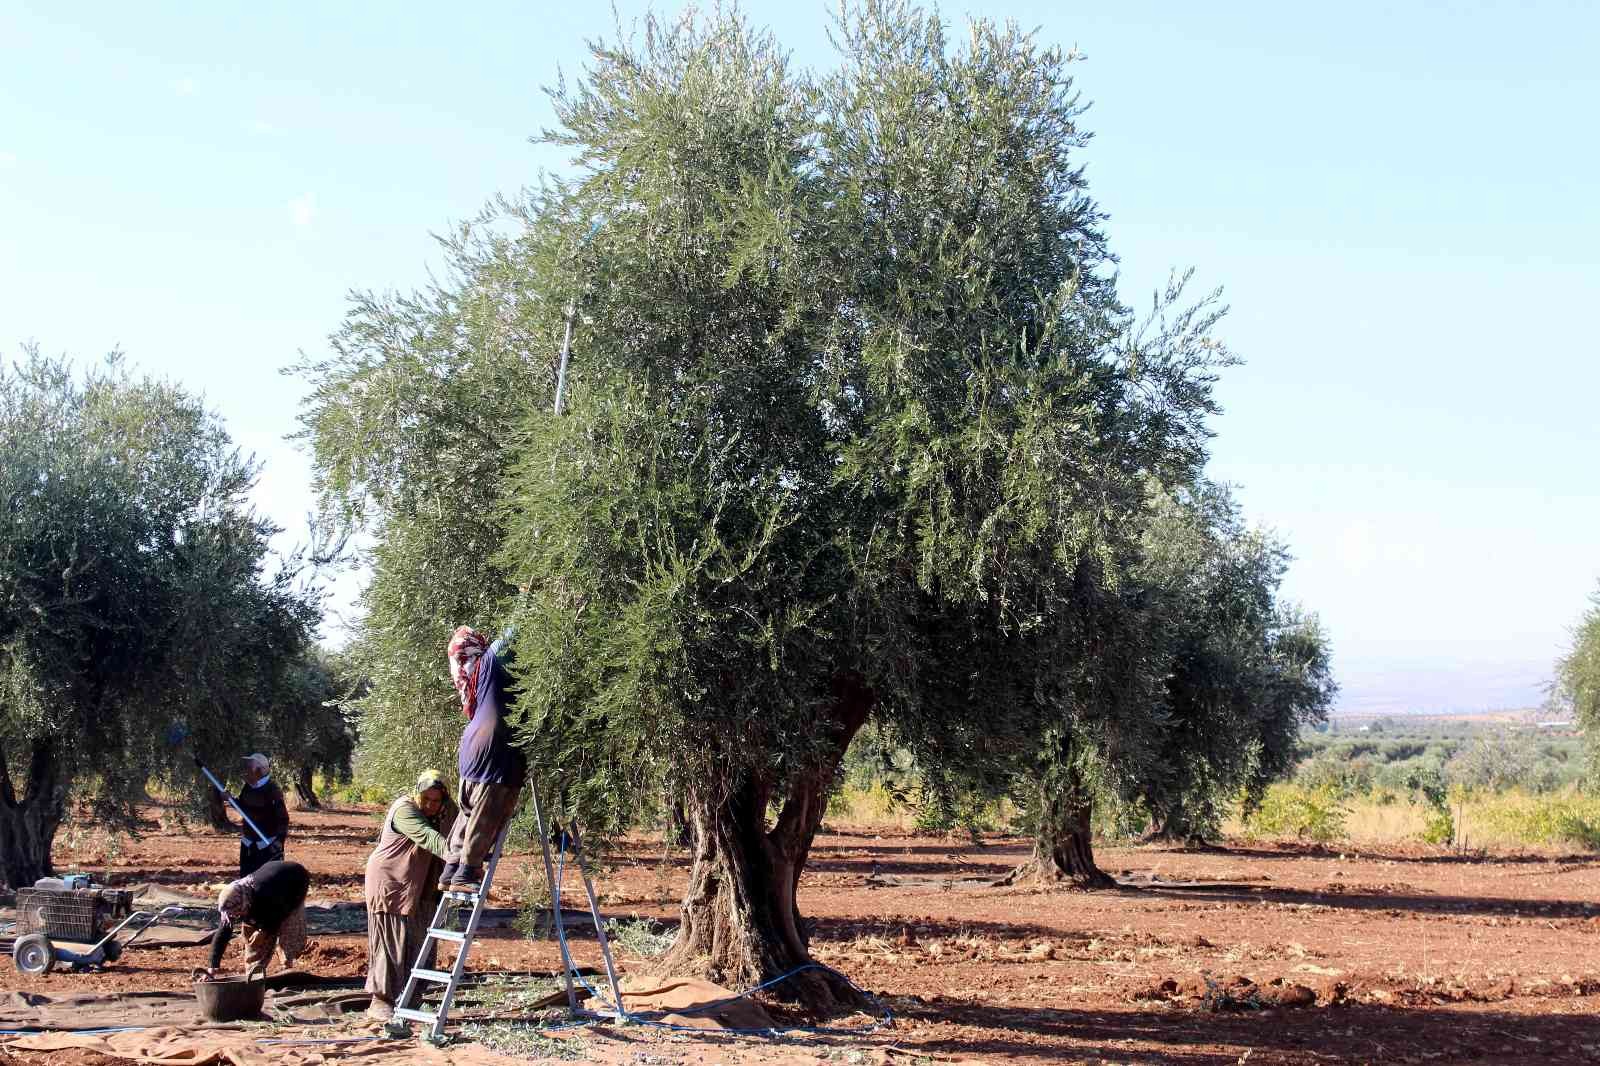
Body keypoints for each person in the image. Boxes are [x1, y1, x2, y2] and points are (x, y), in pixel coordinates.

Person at [363, 769, 458, 1021]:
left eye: (436, 800)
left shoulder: (449, 811)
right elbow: (430, 838)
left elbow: (462, 832)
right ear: (417, 793)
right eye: (425, 798)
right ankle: (381, 1000)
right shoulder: (404, 809)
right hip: (391, 882)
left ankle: (411, 999)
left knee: (421, 940)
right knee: (391, 943)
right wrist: (463, 860)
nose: (429, 804)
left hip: (424, 885)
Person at [438, 626, 527, 892]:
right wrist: (527, 598)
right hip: (494, 752)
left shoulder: (474, 679)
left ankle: (450, 870)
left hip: (471, 751)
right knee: (487, 815)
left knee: (468, 813)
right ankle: (466, 874)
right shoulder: (489, 663)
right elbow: (513, 632)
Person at [203, 859, 310, 977]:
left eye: (237, 913)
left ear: (242, 903)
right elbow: (223, 932)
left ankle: (287, 968)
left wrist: (263, 930)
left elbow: (280, 912)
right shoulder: (237, 896)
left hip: (294, 882)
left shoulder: (263, 892)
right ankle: (254, 973)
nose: (235, 916)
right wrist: (212, 967)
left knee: (288, 926)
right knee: (251, 931)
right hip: (269, 886)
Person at [234, 752, 290, 877]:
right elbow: (243, 808)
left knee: (267, 881)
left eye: (250, 768)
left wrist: (279, 841)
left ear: (260, 770)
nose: (246, 771)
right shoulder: (248, 787)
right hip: (249, 842)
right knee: (246, 879)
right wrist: (231, 800)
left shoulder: (272, 790)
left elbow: (283, 818)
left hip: (267, 844)